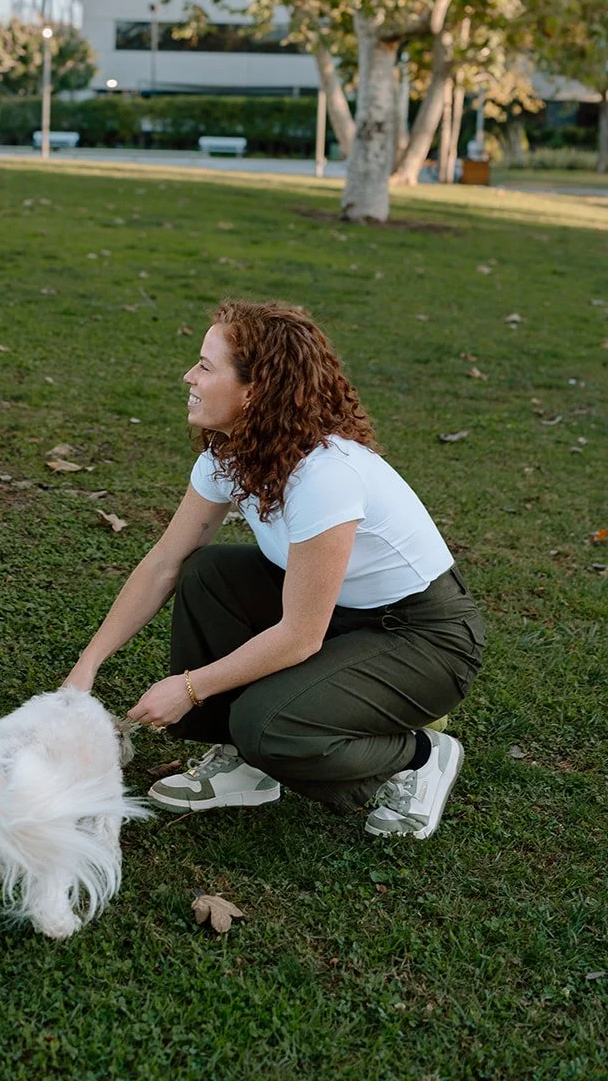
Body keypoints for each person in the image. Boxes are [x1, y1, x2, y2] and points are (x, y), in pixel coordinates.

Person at [65, 300, 486, 840]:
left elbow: (299, 636)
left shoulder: (325, 475)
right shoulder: (229, 453)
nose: (187, 377)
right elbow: (164, 562)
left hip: (422, 636)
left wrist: (190, 688)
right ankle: (244, 768)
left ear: (255, 390)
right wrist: (88, 664)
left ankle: (417, 756)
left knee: (269, 726)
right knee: (207, 572)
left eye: (206, 367)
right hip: (338, 613)